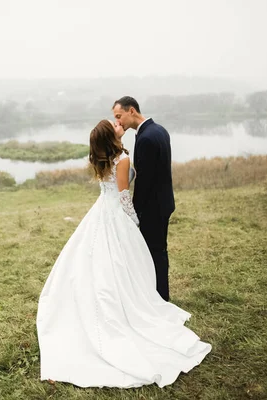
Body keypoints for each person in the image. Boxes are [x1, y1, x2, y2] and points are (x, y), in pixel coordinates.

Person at [36, 120, 211, 388]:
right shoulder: (123, 159)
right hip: (115, 214)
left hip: (100, 211)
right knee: (117, 261)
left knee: (100, 261)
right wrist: (135, 221)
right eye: (115, 125)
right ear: (112, 136)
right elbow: (123, 195)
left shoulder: (102, 158)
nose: (119, 125)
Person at [112, 96, 174, 301]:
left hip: (152, 208)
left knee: (152, 254)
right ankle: (160, 295)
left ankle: (160, 299)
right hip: (164, 202)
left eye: (119, 116)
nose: (118, 122)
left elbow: (145, 182)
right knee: (159, 251)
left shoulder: (146, 138)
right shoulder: (159, 130)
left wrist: (135, 212)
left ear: (132, 111)